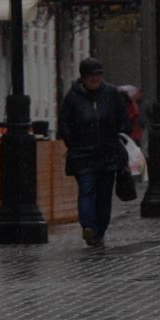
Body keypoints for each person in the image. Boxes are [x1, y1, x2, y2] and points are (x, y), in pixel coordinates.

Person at [58, 57, 128, 248]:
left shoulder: (111, 93)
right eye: (91, 75)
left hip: (108, 154)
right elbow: (64, 123)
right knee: (87, 190)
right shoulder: (73, 97)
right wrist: (73, 143)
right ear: (83, 77)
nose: (95, 79)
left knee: (104, 195)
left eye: (98, 74)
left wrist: (119, 136)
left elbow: (123, 118)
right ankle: (88, 226)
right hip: (82, 155)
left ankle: (100, 231)